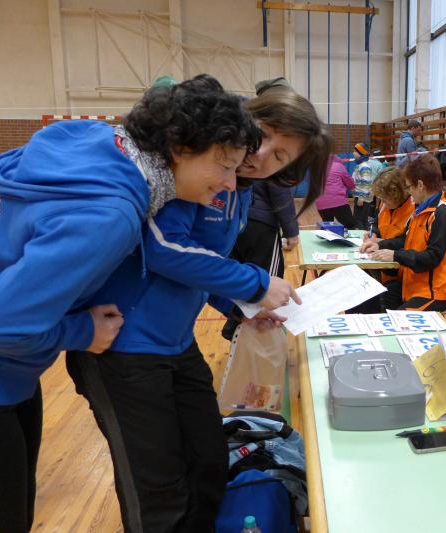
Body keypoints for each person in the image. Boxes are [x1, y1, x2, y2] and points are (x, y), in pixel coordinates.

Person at [0, 74, 257, 532]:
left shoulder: (92, 138)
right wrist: (83, 331)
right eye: (224, 166)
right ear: (180, 148)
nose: (231, 183)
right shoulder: (110, 215)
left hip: (10, 375)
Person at [65, 81, 332, 532]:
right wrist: (255, 284)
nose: (262, 154)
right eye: (264, 134)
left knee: (208, 460)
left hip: (175, 343)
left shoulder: (238, 188)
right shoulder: (194, 172)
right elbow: (164, 249)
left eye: (280, 156)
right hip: (122, 347)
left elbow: (202, 264)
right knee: (157, 489)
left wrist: (240, 307)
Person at [361, 154, 446, 311]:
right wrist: (379, 245)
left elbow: (432, 257)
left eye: (409, 187)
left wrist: (395, 255)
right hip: (413, 286)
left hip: (435, 292)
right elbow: (403, 240)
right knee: (372, 300)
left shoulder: (442, 213)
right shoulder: (420, 209)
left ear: (420, 185)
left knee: (396, 320)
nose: (408, 192)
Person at [221, 175, 300, 340]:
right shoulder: (270, 164)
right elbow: (279, 189)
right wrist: (291, 230)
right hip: (260, 223)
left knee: (238, 275)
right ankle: (254, 331)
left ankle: (236, 321)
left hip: (231, 221)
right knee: (268, 281)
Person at [316, 154, 357, 229]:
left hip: (321, 203)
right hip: (338, 201)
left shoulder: (317, 168)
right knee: (350, 226)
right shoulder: (339, 166)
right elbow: (350, 183)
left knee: (328, 228)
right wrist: (353, 184)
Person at [350, 142, 384, 230]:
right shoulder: (360, 165)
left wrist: (361, 198)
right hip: (360, 196)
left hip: (363, 198)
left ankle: (361, 235)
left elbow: (366, 183)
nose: (353, 153)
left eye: (355, 151)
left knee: (359, 220)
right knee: (362, 219)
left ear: (360, 153)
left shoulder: (364, 167)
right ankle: (365, 234)